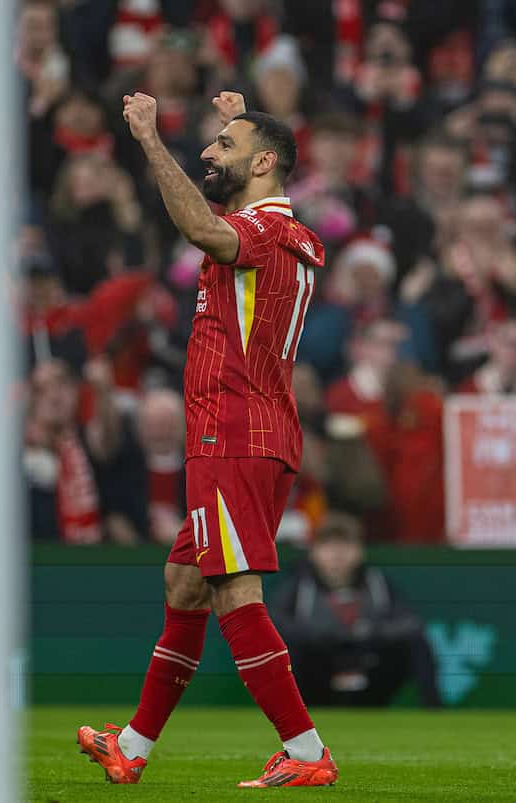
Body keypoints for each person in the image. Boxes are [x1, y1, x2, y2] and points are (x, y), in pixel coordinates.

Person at [77, 91, 338, 788]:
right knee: (185, 584)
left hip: (234, 433)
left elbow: (206, 229)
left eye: (223, 145)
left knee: (231, 590)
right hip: (252, 431)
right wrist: (242, 118)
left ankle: (307, 751)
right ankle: (131, 746)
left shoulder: (265, 233)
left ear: (262, 162)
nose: (207, 153)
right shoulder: (287, 234)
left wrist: (148, 142)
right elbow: (237, 220)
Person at [271, 513, 441, 708]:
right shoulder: (299, 585)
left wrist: (369, 633)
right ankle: (288, 713)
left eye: (346, 545)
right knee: (289, 652)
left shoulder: (378, 582)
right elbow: (278, 624)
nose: (337, 555)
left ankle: (434, 709)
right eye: (328, 546)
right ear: (313, 552)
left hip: (369, 666)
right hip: (318, 669)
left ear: (360, 551)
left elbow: (409, 623)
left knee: (415, 644)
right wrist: (322, 634)